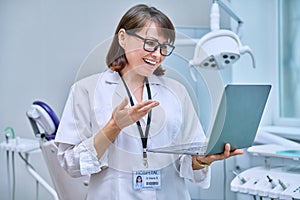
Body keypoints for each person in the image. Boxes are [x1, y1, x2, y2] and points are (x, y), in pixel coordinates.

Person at [54, 4, 243, 200]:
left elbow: (188, 160)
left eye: (164, 47)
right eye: (150, 44)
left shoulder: (177, 92)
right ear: (123, 38)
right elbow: (71, 164)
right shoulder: (86, 90)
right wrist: (113, 127)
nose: (157, 54)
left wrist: (202, 160)